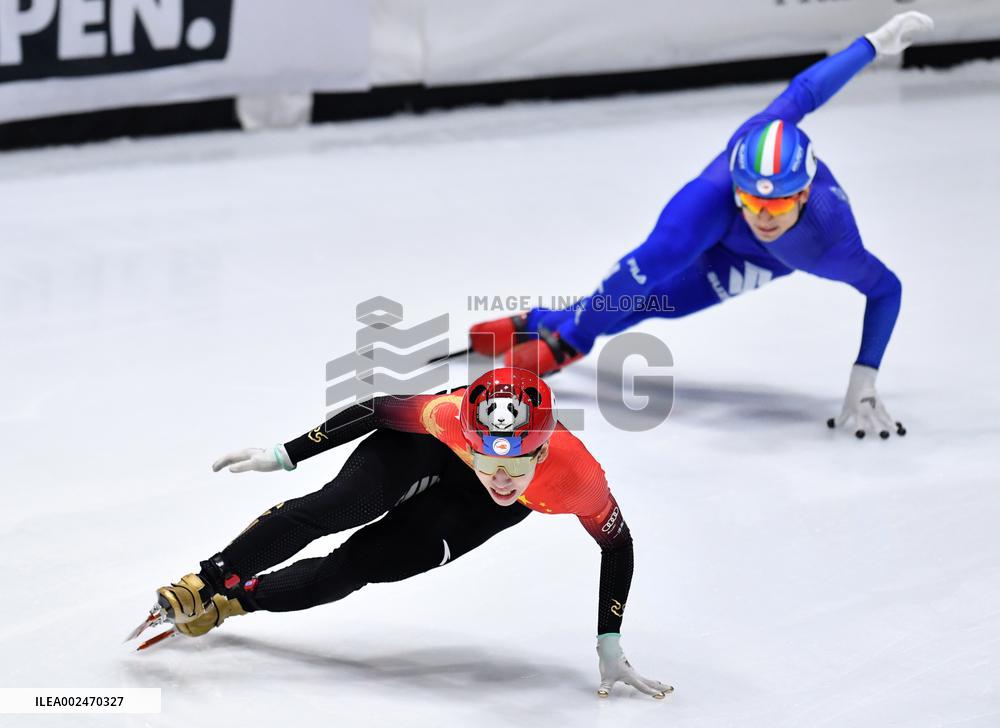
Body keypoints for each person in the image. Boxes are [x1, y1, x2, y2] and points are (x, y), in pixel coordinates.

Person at [469, 12, 933, 440]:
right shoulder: (745, 156)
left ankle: (540, 321)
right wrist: (872, 44)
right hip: (713, 209)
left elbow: (886, 289)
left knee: (658, 304)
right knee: (649, 265)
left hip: (762, 258)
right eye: (753, 198)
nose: (764, 215)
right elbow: (806, 91)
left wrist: (864, 374)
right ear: (739, 183)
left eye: (779, 202)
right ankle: (566, 335)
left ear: (805, 194)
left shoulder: (831, 243)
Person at [146, 368, 670, 699]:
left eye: (518, 465)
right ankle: (207, 580)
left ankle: (235, 603)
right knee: (346, 504)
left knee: (363, 565)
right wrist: (286, 455)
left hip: (467, 508)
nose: (503, 479)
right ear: (470, 438)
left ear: (542, 448)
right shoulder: (445, 417)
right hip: (424, 451)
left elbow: (617, 546)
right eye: (488, 460)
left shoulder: (578, 478)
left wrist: (608, 639)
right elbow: (376, 409)